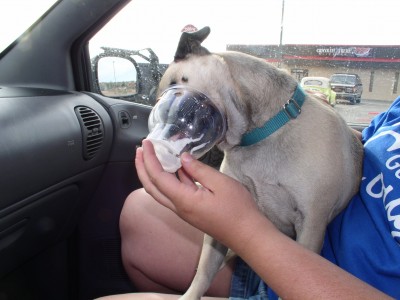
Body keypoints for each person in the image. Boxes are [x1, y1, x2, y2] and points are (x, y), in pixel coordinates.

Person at [99, 95, 400, 299]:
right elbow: (359, 144)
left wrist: (244, 231)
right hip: (299, 245)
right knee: (139, 211)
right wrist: (314, 123)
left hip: (322, 285)